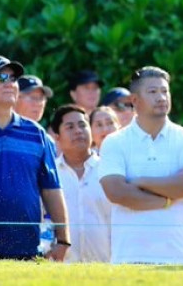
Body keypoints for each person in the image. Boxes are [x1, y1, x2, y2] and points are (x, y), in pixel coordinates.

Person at [98, 66, 183, 265]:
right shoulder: (115, 141)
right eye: (153, 92)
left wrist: (141, 182)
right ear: (135, 100)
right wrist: (165, 200)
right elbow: (116, 192)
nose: (161, 97)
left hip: (179, 256)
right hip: (129, 257)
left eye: (165, 91)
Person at [0, 56, 70, 261]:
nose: (9, 83)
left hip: (25, 248)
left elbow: (51, 189)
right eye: (0, 77)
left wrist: (63, 240)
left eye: (13, 78)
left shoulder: (36, 133)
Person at [50, 104, 111, 262]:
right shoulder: (49, 174)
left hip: (107, 268)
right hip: (60, 270)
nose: (78, 131)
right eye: (70, 127)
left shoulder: (109, 170)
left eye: (83, 125)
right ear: (57, 136)